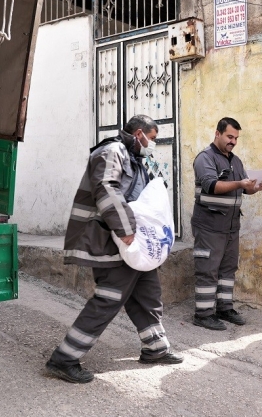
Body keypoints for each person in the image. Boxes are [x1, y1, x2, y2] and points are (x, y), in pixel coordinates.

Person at [45, 114, 183, 384]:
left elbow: (149, 194)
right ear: (140, 133)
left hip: (132, 245)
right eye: (152, 139)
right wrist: (126, 229)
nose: (152, 145)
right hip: (111, 240)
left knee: (148, 293)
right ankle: (64, 358)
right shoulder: (111, 151)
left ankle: (155, 348)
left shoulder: (138, 159)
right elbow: (105, 188)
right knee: (109, 299)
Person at [190, 117, 262, 331]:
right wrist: (240, 183)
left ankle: (224, 309)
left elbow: (245, 188)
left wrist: (257, 187)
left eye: (236, 138)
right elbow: (211, 186)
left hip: (231, 227)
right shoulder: (205, 158)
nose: (233, 141)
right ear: (217, 133)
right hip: (209, 225)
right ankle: (203, 314)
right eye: (229, 136)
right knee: (208, 269)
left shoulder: (236, 161)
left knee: (227, 269)